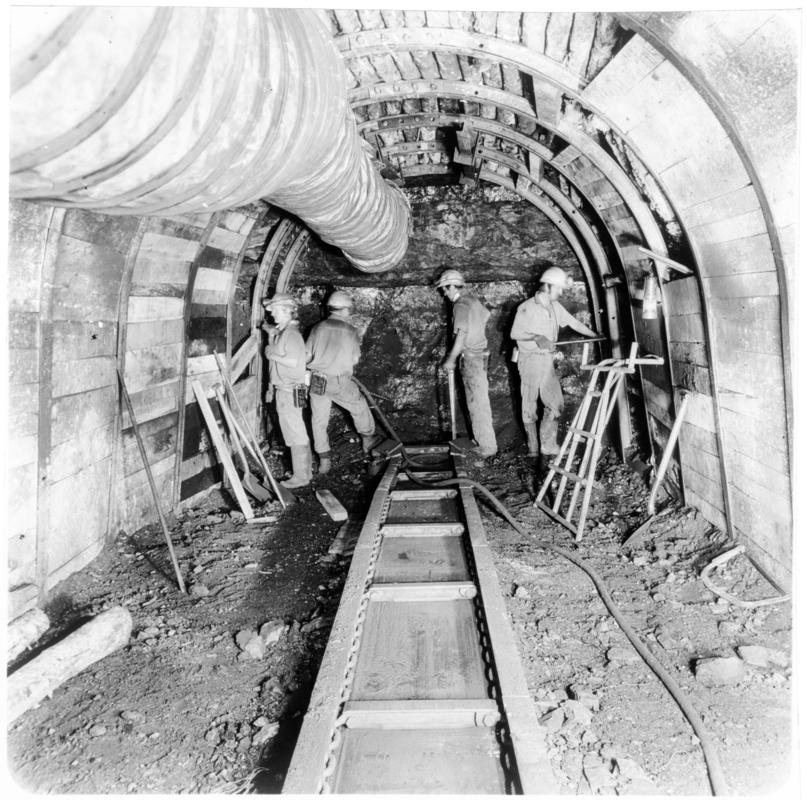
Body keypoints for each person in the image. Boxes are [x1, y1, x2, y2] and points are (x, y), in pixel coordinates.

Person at [510, 267, 597, 458]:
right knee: (529, 405)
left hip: (546, 361)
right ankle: (533, 448)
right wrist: (536, 336)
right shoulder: (526, 307)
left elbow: (574, 323)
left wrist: (596, 335)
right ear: (548, 286)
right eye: (558, 289)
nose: (561, 293)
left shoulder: (555, 306)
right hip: (530, 360)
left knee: (555, 403)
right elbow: (514, 333)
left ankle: (548, 446)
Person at [306, 290, 380, 475]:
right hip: (338, 381)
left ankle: (324, 461)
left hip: (317, 379)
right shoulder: (350, 331)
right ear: (345, 309)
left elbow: (306, 355)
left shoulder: (317, 328)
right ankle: (367, 441)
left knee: (318, 420)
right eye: (349, 309)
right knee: (359, 406)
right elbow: (355, 359)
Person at [436, 269, 498, 464]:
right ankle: (484, 442)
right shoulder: (473, 301)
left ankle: (487, 448)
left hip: (471, 357)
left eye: (445, 289)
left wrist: (451, 358)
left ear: (453, 287)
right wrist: (476, 332)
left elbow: (461, 334)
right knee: (480, 401)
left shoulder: (460, 305)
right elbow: (486, 315)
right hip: (480, 356)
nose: (444, 293)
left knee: (476, 403)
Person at [259, 293, 312, 488]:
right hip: (292, 388)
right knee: (297, 428)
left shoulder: (291, 334)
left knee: (293, 430)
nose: (273, 315)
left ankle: (301, 477)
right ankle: (305, 472)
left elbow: (293, 361)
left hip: (289, 389)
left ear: (285, 311)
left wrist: (271, 355)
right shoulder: (286, 332)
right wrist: (271, 336)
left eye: (275, 311)